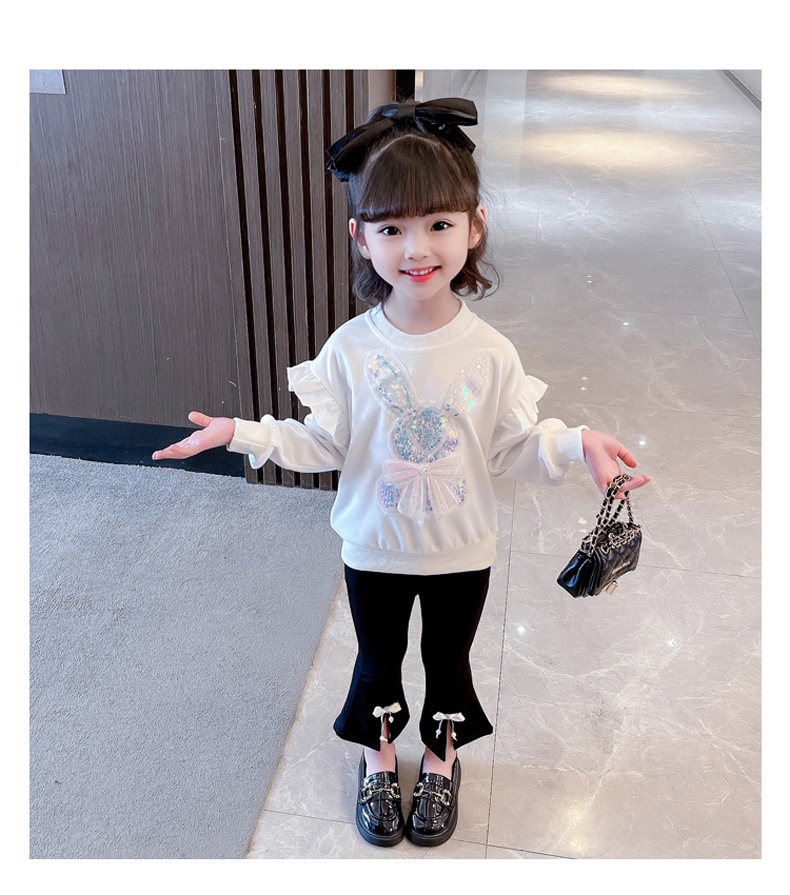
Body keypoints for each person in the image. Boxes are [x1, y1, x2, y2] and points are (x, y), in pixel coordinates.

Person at [152, 97, 649, 849]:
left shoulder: (491, 353)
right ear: (361, 236)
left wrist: (576, 443)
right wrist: (243, 433)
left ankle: (442, 760)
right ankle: (378, 755)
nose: (417, 248)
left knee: (448, 663)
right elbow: (326, 444)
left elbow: (509, 446)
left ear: (474, 226)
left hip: (462, 554)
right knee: (377, 661)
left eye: (438, 224)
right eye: (391, 229)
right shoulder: (351, 350)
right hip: (373, 551)